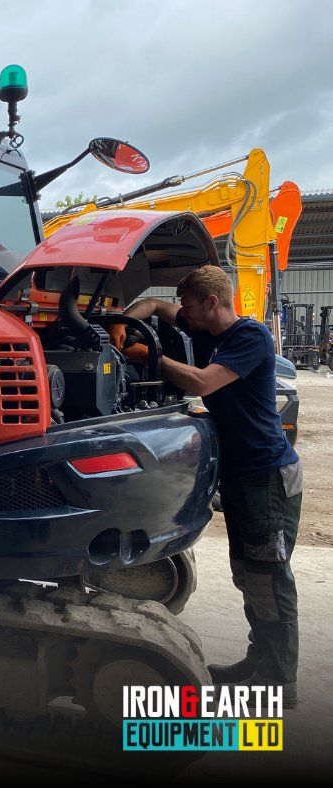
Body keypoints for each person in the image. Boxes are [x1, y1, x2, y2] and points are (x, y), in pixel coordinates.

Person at [122, 265, 301, 707]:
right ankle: (258, 663)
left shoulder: (249, 337)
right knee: (248, 575)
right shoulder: (202, 326)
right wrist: (124, 323)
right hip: (243, 477)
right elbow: (156, 306)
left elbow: (203, 382)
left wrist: (144, 353)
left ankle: (281, 683)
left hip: (269, 477)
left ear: (212, 303)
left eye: (189, 305)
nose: (182, 312)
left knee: (269, 579)